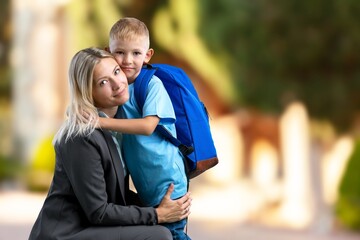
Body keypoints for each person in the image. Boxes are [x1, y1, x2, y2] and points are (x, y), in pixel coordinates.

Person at [28, 47, 192, 240]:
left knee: (166, 230)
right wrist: (157, 215)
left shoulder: (116, 128)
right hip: (65, 234)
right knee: (158, 236)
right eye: (103, 82)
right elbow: (99, 211)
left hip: (91, 228)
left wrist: (165, 206)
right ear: (88, 92)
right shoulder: (81, 137)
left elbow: (117, 195)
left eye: (116, 71)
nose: (117, 84)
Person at [98, 17, 191, 239]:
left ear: (148, 55)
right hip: (147, 185)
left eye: (136, 53)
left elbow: (149, 126)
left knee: (172, 235)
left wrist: (100, 122)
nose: (127, 60)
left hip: (168, 182)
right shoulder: (118, 88)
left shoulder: (151, 85)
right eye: (119, 52)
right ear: (108, 53)